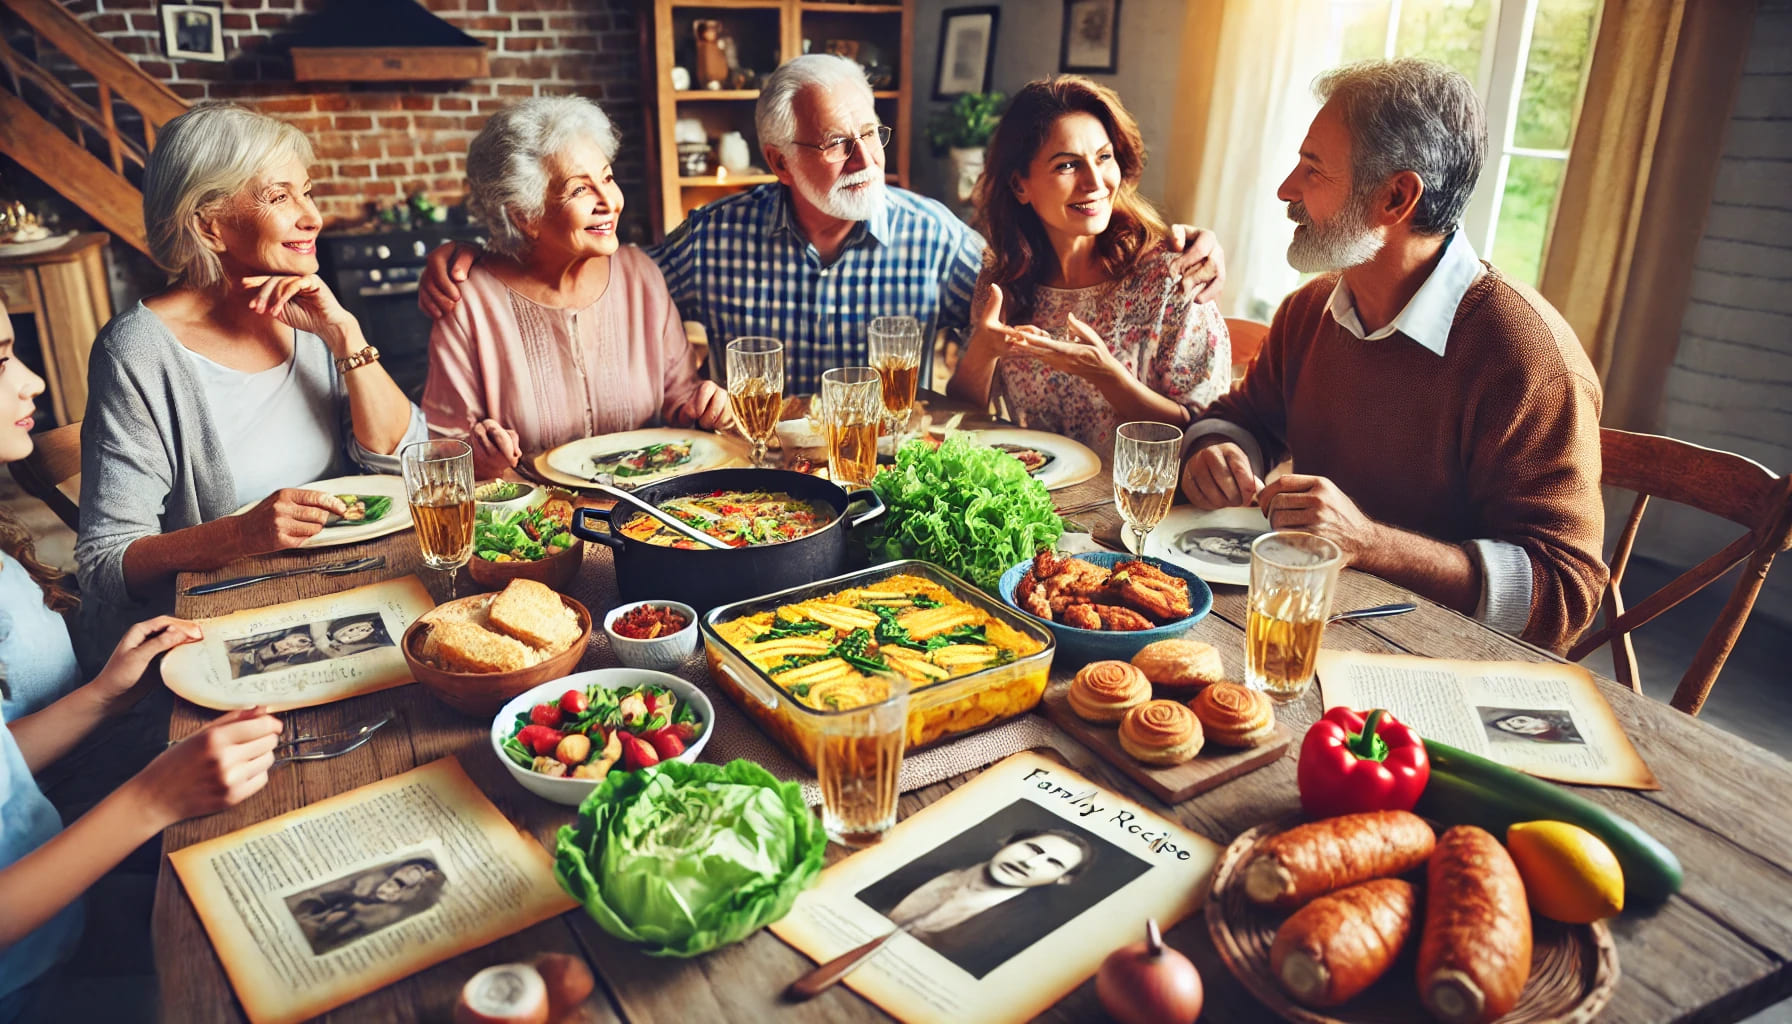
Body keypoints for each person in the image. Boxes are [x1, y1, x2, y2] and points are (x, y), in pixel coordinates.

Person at [418, 56, 1230, 395]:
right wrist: (486, 257)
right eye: (836, 144)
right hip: (755, 494)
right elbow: (597, 281)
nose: (863, 157)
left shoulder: (942, 240)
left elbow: (1033, 309)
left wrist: (1180, 241)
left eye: (869, 133)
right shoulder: (710, 239)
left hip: (890, 493)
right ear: (779, 160)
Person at [1178, 59, 1606, 652]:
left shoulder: (1525, 357)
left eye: (1313, 169)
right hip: (1309, 627)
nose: (1286, 190)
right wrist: (1219, 449)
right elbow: (1242, 418)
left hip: (1441, 663)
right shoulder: (1310, 310)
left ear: (1397, 196)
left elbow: (1564, 592)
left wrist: (1370, 543)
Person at [1, 309, 284, 1019]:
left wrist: (100, 697)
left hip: (67, 902)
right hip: (31, 981)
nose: (32, 380)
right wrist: (153, 798)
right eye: (0, 359)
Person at [76, 103, 428, 665]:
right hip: (228, 625)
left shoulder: (306, 313)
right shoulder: (136, 351)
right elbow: (105, 563)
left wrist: (345, 336)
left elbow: (409, 463)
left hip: (351, 590)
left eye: (307, 192)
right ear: (208, 224)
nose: (312, 216)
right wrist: (238, 534)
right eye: (279, 196)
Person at [421, 96, 730, 479]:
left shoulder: (641, 275)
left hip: (650, 514)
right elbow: (442, 451)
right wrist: (484, 457)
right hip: (535, 523)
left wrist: (705, 406)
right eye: (580, 190)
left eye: (607, 178)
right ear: (525, 216)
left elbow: (680, 398)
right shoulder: (468, 302)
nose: (609, 203)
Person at [947, 77, 1229, 449]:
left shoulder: (1174, 275)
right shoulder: (1004, 278)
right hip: (1041, 498)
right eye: (1067, 165)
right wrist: (983, 351)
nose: (1095, 182)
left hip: (1146, 504)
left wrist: (1109, 378)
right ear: (1020, 186)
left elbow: (1205, 435)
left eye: (1103, 157)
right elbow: (963, 419)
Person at [285, 857, 448, 956]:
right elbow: (314, 899)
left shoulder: (390, 915)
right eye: (415, 870)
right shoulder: (360, 884)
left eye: (420, 883)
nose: (414, 878)